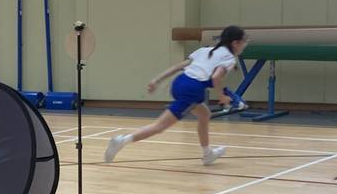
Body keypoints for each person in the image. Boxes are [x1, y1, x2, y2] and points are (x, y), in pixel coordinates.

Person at [104, 25, 248, 166]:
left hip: (179, 82)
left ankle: (207, 154)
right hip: (192, 90)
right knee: (160, 126)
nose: (245, 44)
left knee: (204, 115)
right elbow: (216, 78)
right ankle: (122, 141)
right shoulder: (229, 58)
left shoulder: (204, 50)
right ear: (235, 43)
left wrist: (157, 80)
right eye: (244, 41)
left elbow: (177, 67)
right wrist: (222, 97)